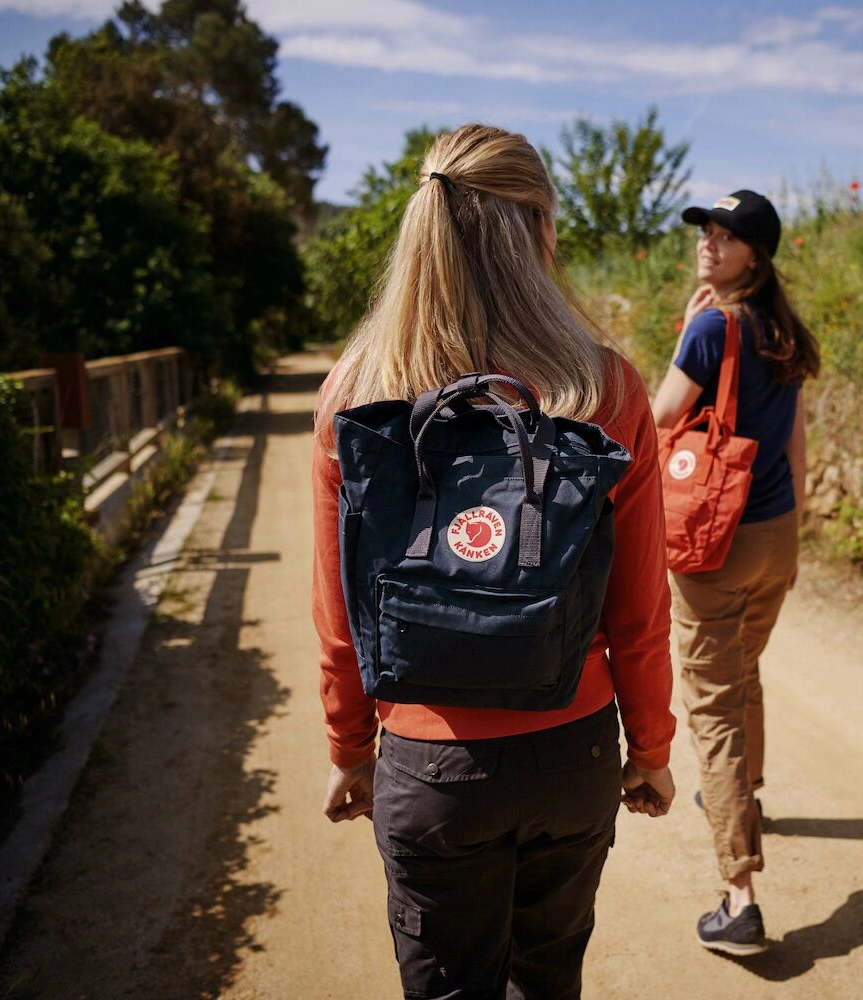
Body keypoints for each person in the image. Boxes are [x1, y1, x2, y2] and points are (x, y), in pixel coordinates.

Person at [311, 124, 676, 999]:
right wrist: (651, 745)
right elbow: (638, 606)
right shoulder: (604, 386)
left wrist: (348, 744)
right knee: (548, 980)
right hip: (572, 751)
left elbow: (341, 610)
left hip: (430, 766)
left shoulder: (357, 392)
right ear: (542, 230)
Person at [651, 190, 819, 956]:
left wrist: (689, 329)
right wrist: (796, 538)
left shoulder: (713, 326)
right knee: (742, 668)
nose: (708, 244)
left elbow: (659, 416)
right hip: (774, 532)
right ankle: (743, 797)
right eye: (706, 232)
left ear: (756, 253)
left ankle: (739, 894)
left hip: (713, 539)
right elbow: (795, 443)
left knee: (712, 706)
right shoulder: (783, 328)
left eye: (726, 237)